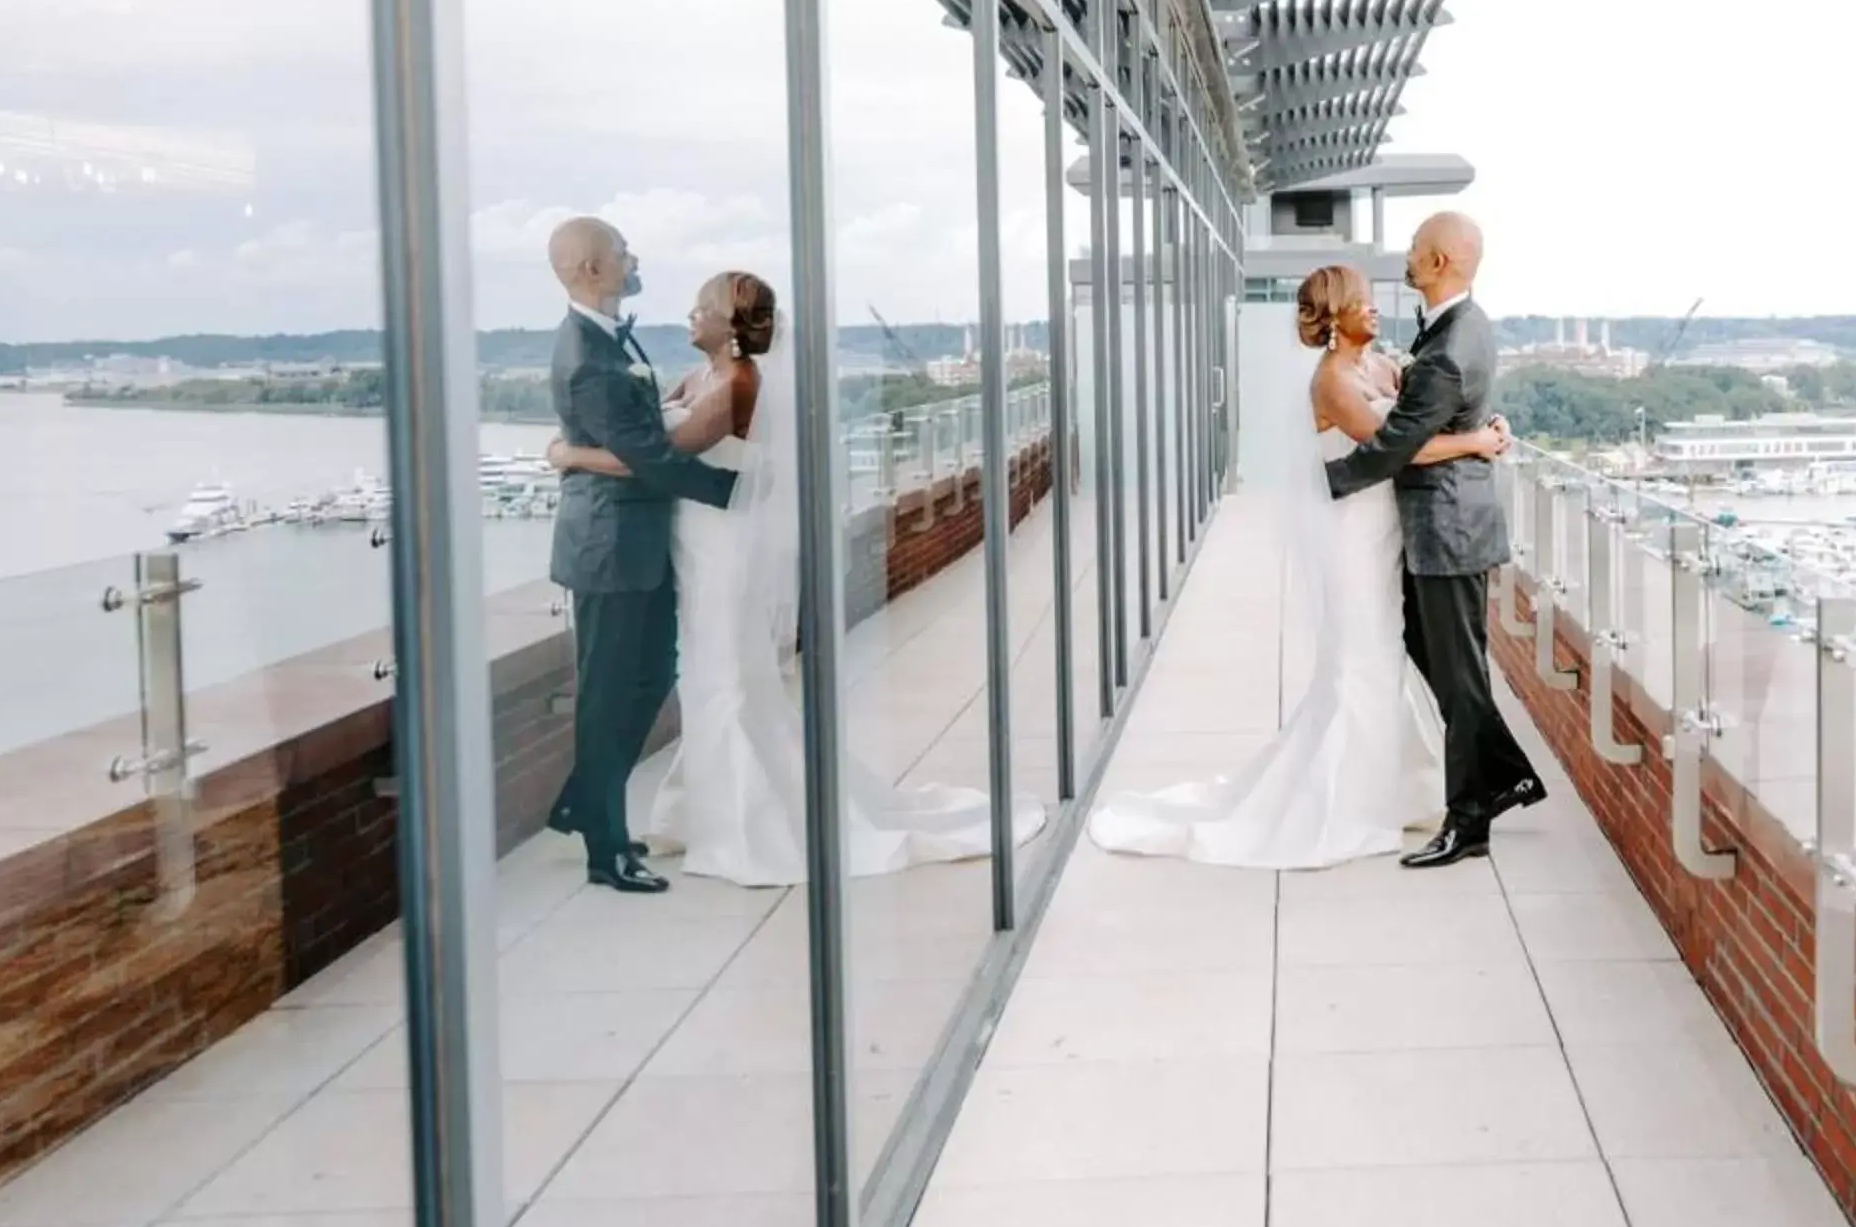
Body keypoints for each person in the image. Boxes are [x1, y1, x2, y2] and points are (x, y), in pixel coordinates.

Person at [550, 268, 1042, 885]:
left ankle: (747, 827)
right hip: (696, 544)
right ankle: (707, 813)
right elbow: (653, 432)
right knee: (706, 676)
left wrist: (570, 455)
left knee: (725, 677)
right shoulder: (703, 377)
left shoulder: (736, 386)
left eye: (702, 309)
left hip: (721, 547)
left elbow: (663, 457)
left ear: (731, 327)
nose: (691, 316)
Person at [1087, 261, 1509, 867]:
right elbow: (1397, 448)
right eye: (1360, 302)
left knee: (1383, 655)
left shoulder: (1376, 364)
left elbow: (1429, 409)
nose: (1372, 308)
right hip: (1354, 534)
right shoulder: (1333, 381)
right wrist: (1476, 445)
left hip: (1384, 531)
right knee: (1360, 657)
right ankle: (1348, 805)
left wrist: (1482, 421)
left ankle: (1392, 789)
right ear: (1335, 317)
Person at [1324, 211, 1547, 869]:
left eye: (1418, 250)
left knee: (1458, 673)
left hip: (1446, 528)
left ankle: (1470, 820)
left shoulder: (1450, 347)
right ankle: (1504, 775)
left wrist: (1322, 481)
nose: (1410, 258)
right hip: (1447, 523)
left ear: (1441, 261)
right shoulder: (1461, 327)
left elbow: (1397, 445)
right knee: (1437, 659)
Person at [542, 218, 737, 896]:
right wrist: (731, 490)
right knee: (607, 694)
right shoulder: (586, 356)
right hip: (608, 548)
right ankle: (605, 847)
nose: (634, 258)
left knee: (652, 677)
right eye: (623, 251)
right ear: (592, 268)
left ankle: (583, 801)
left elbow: (643, 431)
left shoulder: (610, 339)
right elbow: (646, 457)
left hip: (641, 543)